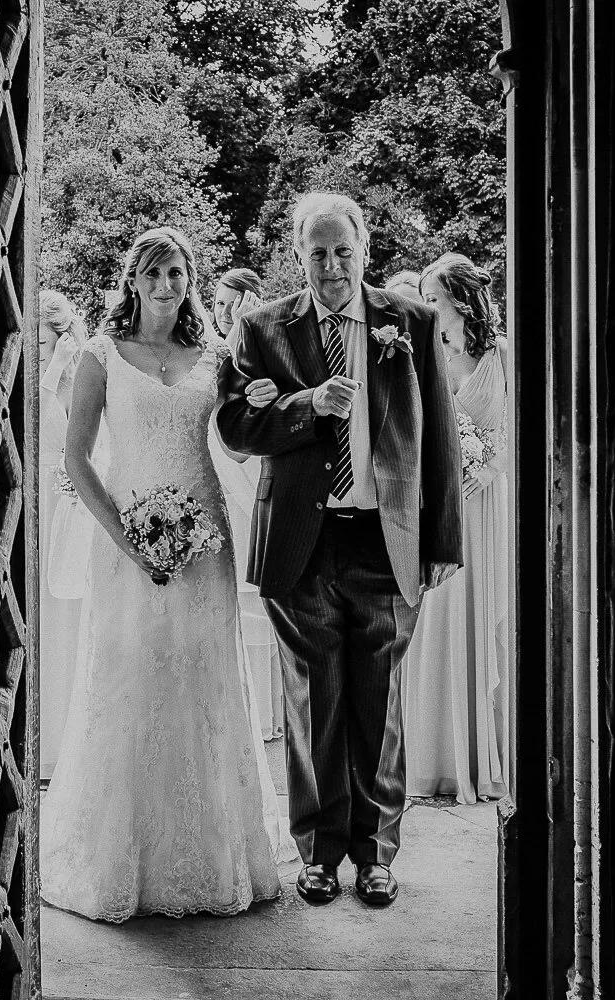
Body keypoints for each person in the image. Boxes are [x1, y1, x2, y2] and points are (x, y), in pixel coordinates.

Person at [38, 227, 295, 923]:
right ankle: (122, 856)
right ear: (133, 279)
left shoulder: (216, 354)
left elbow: (238, 440)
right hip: (128, 540)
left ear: (189, 278)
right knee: (130, 679)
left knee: (204, 680)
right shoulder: (100, 354)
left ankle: (214, 854)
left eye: (177, 271)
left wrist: (265, 401)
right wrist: (128, 540)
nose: (167, 283)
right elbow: (77, 459)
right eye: (154, 271)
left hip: (206, 538)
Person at [218, 192, 463, 907]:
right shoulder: (261, 329)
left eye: (342, 250)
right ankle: (318, 854)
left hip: (387, 541)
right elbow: (235, 425)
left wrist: (442, 537)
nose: (331, 266)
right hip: (302, 542)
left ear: (365, 249)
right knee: (310, 705)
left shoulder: (408, 320)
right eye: (317, 252)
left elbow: (440, 435)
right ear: (297, 253)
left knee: (379, 704)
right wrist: (303, 407)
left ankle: (376, 854)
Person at [403, 252, 513, 805]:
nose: (427, 308)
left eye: (434, 298)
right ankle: (437, 758)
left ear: (461, 301)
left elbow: (525, 428)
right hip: (444, 505)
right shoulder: (428, 357)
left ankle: (484, 754)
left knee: (486, 616)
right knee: (441, 619)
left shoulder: (502, 355)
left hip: (489, 505)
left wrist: (488, 465)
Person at [206, 267, 282, 740]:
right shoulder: (208, 353)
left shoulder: (265, 346)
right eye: (214, 302)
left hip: (250, 473)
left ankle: (263, 708)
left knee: (254, 589)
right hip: (215, 471)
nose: (220, 312)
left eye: (229, 304)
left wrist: (246, 338)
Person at [37, 288, 92, 777]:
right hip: (31, 502)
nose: (37, 355)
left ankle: (61, 747)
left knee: (62, 619)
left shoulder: (77, 376)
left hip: (63, 499)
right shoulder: (39, 376)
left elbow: (86, 444)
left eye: (42, 344)